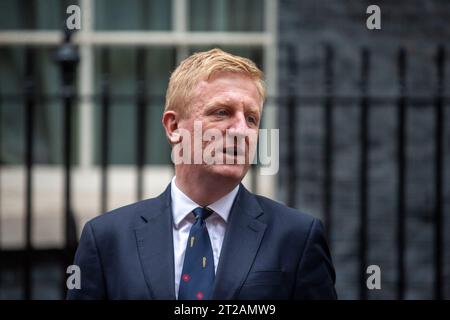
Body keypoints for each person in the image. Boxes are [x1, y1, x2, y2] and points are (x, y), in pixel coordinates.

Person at [67, 48, 337, 300]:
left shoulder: (297, 237)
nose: (241, 130)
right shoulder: (106, 238)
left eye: (252, 119)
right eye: (222, 112)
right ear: (173, 126)